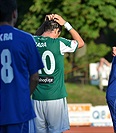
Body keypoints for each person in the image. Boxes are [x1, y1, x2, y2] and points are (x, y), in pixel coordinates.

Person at [32, 14, 84, 133]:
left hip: (37, 98)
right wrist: (65, 23)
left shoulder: (32, 41)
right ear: (56, 31)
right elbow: (80, 43)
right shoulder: (59, 42)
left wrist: (44, 24)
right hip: (55, 98)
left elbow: (37, 36)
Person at [0, 0, 44, 132]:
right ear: (14, 14)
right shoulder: (26, 39)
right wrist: (24, 96)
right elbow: (35, 78)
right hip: (19, 109)